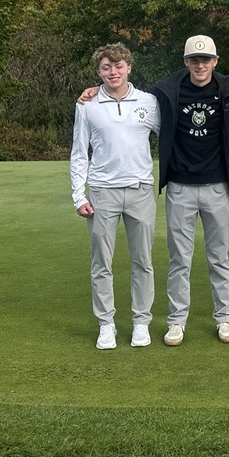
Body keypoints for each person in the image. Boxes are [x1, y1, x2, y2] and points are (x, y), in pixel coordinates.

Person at [70, 43, 160, 349]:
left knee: (143, 261)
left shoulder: (148, 102)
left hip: (140, 190)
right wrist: (77, 195)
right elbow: (80, 152)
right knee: (101, 263)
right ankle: (106, 324)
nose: (113, 72)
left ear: (129, 68)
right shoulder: (87, 105)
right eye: (107, 67)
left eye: (119, 66)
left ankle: (141, 322)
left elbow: (174, 135)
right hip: (102, 192)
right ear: (99, 72)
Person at [153, 35, 229, 346]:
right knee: (180, 259)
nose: (200, 64)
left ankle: (224, 318)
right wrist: (95, 91)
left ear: (215, 61)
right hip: (180, 186)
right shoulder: (167, 90)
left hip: (217, 186)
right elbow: (128, 94)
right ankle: (177, 321)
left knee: (219, 257)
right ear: (186, 61)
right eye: (194, 59)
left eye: (206, 59)